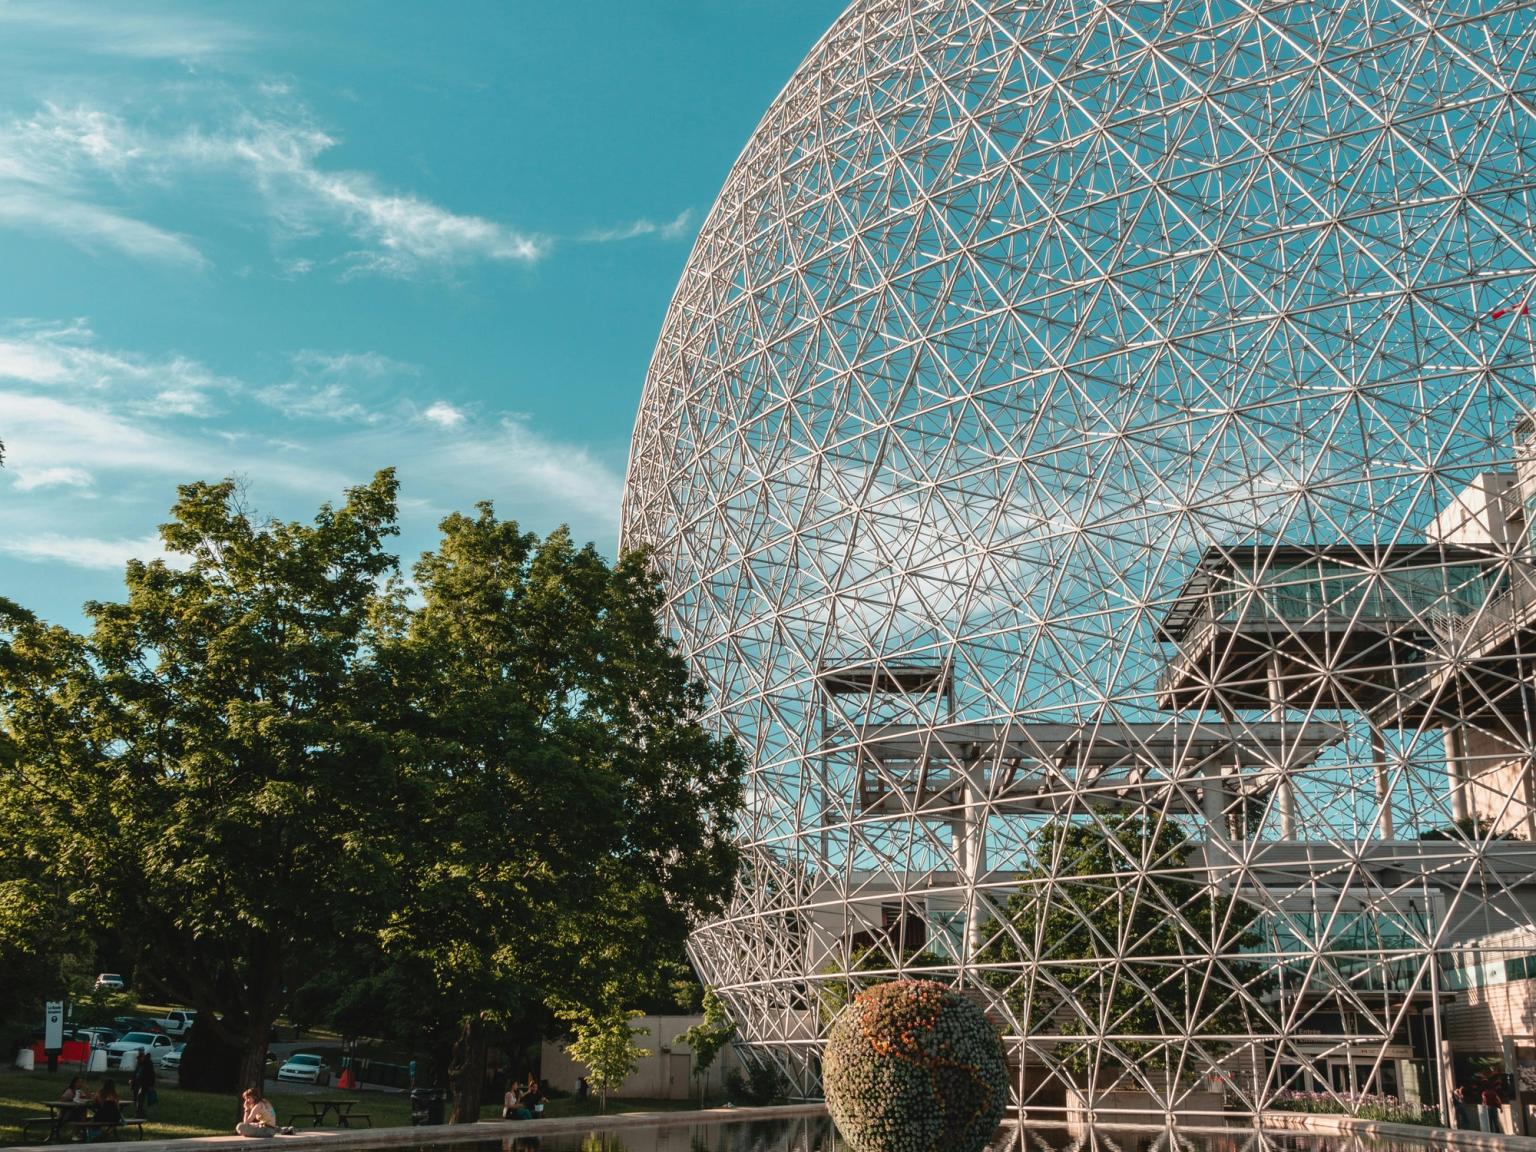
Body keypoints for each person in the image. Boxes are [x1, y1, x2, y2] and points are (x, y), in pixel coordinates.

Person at [131, 1051, 157, 1117]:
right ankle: (139, 1112)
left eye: (139, 1058)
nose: (138, 1060)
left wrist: (150, 1085)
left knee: (140, 1099)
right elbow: (135, 1073)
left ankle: (139, 1112)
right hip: (137, 1083)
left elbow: (151, 1075)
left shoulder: (148, 1064)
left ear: (143, 1057)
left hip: (143, 1084)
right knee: (137, 1099)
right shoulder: (140, 1063)